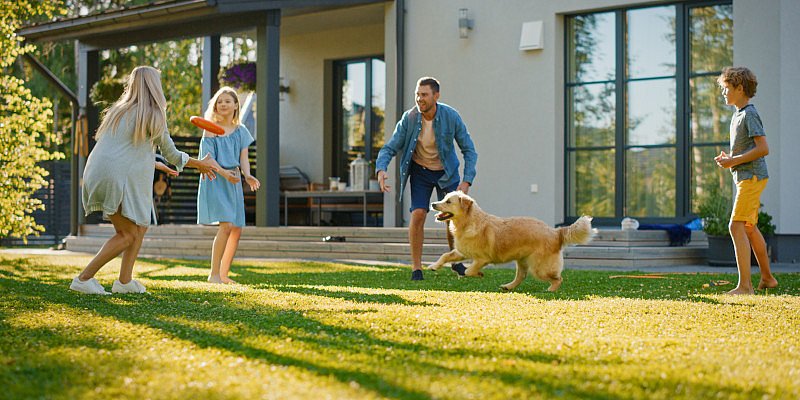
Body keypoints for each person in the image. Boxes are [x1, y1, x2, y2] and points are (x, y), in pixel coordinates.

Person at [71, 66, 221, 295]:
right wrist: (200, 163)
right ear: (154, 86)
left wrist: (154, 163)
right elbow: (172, 154)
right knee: (128, 234)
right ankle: (83, 278)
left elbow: (122, 151)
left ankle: (124, 281)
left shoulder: (118, 111)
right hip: (115, 177)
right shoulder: (154, 113)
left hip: (97, 171)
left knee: (140, 226)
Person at [375, 77, 478, 280]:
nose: (419, 99)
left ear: (436, 96)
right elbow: (390, 147)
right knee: (418, 214)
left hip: (446, 172)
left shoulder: (451, 116)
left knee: (454, 217)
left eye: (424, 95)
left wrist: (466, 181)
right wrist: (381, 168)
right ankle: (416, 268)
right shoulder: (410, 118)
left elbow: (469, 150)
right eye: (417, 94)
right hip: (421, 171)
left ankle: (456, 262)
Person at [714, 66, 778, 295]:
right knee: (749, 228)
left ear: (740, 88)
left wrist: (734, 161)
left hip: (752, 177)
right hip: (747, 176)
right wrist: (731, 159)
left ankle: (745, 286)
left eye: (726, 89)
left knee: (735, 226)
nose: (723, 93)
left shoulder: (749, 113)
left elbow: (763, 148)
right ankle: (768, 278)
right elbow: (750, 148)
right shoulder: (739, 114)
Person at [197, 87, 260, 284]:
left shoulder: (241, 131)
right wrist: (225, 173)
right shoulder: (210, 129)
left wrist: (247, 175)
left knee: (236, 229)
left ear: (235, 105)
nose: (223, 104)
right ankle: (213, 274)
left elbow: (244, 158)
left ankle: (223, 275)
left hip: (233, 181)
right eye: (219, 101)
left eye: (227, 101)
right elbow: (207, 159)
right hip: (216, 179)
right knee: (226, 226)